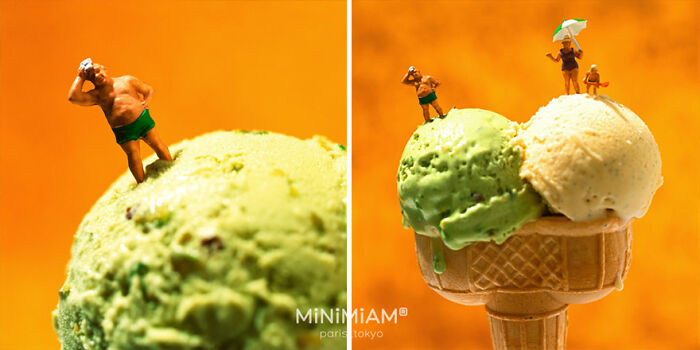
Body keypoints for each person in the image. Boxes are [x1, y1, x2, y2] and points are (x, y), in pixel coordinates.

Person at [68, 60, 172, 183]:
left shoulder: (127, 81)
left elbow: (148, 90)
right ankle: (141, 182)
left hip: (142, 119)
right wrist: (80, 77)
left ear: (105, 69)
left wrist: (147, 101)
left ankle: (170, 165)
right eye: (91, 76)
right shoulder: (96, 96)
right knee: (133, 156)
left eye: (97, 71)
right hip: (124, 131)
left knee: (157, 143)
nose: (96, 75)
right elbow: (73, 97)